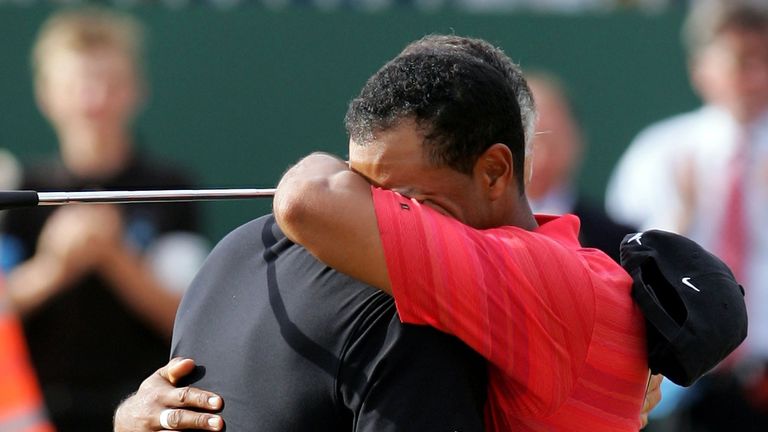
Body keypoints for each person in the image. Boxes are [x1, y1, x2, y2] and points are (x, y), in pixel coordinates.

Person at [270, 40, 648, 430]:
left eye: (400, 199)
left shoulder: (533, 278)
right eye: (366, 196)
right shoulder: (549, 273)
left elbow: (306, 200)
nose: (381, 214)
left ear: (494, 172)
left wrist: (326, 168)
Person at [0, 8, 208, 431]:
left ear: (136, 90)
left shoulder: (171, 187)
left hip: (147, 409)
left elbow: (190, 317)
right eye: (77, 85)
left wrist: (115, 256)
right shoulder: (20, 188)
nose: (93, 99)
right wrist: (56, 266)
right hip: (35, 414)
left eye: (110, 84)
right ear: (46, 93)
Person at [606, 1, 768, 429]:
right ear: (702, 68)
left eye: (767, 60)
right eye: (742, 61)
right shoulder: (659, 151)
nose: (757, 77)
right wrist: (679, 218)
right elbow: (621, 270)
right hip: (683, 385)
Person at [525, 72, 635, 262]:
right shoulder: (476, 230)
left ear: (576, 139)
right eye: (529, 143)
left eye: (552, 141)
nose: (541, 157)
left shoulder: (619, 240)